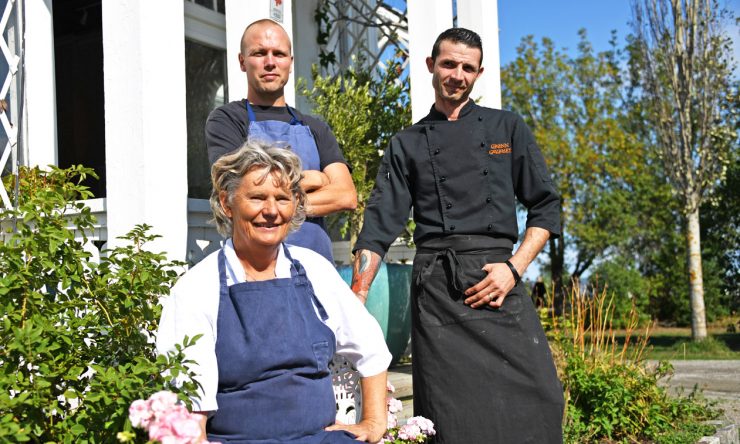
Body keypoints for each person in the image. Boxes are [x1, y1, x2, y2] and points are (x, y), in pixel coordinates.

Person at [351, 28, 564, 443]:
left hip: (498, 278)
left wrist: (513, 269)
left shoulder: (507, 128)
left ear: (479, 73)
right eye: (449, 64)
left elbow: (547, 206)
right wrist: (356, 302)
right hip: (438, 288)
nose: (458, 75)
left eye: (468, 67)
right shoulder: (407, 143)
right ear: (431, 66)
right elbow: (378, 227)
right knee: (451, 417)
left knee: (541, 396)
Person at [157, 141, 390, 443]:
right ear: (228, 204)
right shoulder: (198, 288)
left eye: (282, 198)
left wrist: (373, 422)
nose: (271, 211)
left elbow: (370, 347)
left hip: (319, 439)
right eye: (256, 197)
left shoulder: (314, 270)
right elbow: (190, 401)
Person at [205, 19, 356, 262]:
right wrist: (315, 178)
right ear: (243, 62)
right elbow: (238, 191)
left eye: (279, 54)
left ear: (290, 63)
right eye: (259, 53)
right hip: (255, 268)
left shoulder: (316, 127)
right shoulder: (227, 120)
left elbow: (345, 196)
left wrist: (269, 201)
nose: (270, 62)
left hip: (316, 267)